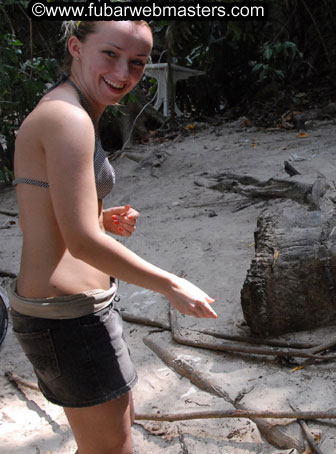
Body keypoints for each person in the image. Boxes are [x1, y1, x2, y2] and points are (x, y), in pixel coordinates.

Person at [10, 20, 217, 454]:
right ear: (76, 47)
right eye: (110, 54)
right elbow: (81, 243)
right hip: (65, 316)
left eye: (138, 63)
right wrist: (171, 284)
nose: (124, 73)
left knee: (114, 435)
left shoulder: (71, 110)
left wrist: (99, 218)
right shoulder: (68, 118)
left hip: (73, 310)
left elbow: (44, 216)